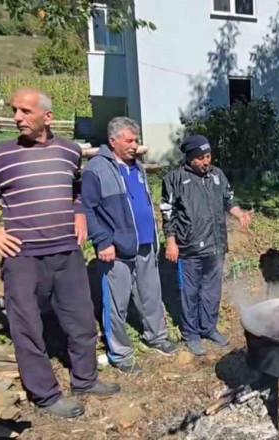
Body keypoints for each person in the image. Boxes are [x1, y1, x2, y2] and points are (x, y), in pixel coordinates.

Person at [0, 88, 120, 419]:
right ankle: (45, 394)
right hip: (23, 258)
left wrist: (80, 212)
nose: (17, 117)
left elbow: (75, 188)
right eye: (15, 110)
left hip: (66, 253)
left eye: (25, 111)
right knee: (28, 326)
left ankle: (85, 380)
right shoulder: (1, 156)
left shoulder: (69, 152)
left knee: (82, 321)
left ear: (47, 116)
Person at [81, 117, 177, 376]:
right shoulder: (96, 169)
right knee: (117, 304)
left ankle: (156, 337)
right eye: (130, 140)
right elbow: (86, 209)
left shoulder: (138, 167)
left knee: (151, 295)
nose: (135, 145)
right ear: (113, 141)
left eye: (136, 140)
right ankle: (120, 353)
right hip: (116, 250)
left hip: (145, 244)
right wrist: (102, 240)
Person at [160, 135, 251, 356]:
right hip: (189, 248)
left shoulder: (217, 175)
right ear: (190, 157)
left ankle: (208, 328)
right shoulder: (174, 179)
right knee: (189, 292)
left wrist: (239, 213)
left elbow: (228, 199)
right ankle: (191, 334)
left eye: (208, 156)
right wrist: (171, 242)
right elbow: (167, 213)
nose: (206, 161)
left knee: (212, 291)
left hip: (216, 244)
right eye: (200, 158)